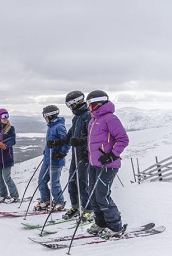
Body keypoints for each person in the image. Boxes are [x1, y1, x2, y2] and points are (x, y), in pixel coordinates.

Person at [85, 90, 129, 239]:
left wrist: (112, 155)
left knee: (102, 196)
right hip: (94, 164)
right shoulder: (93, 120)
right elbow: (94, 143)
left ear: (99, 104)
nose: (89, 107)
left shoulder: (110, 119)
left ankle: (115, 226)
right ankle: (101, 223)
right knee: (93, 194)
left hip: (108, 165)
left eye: (91, 105)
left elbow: (123, 139)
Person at [61, 90, 93, 221]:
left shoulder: (88, 116)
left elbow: (92, 136)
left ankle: (88, 209)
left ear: (76, 102)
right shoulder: (76, 118)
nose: (69, 107)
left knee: (82, 182)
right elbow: (70, 135)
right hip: (76, 154)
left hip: (85, 155)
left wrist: (81, 141)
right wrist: (58, 142)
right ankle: (75, 207)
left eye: (69, 104)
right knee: (72, 181)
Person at [36, 105, 70, 211]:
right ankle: (46, 200)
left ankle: (59, 202)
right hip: (47, 158)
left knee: (54, 182)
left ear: (50, 116)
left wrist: (61, 153)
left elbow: (66, 141)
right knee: (41, 181)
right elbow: (50, 143)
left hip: (56, 160)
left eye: (45, 116)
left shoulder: (59, 126)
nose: (44, 118)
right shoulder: (51, 126)